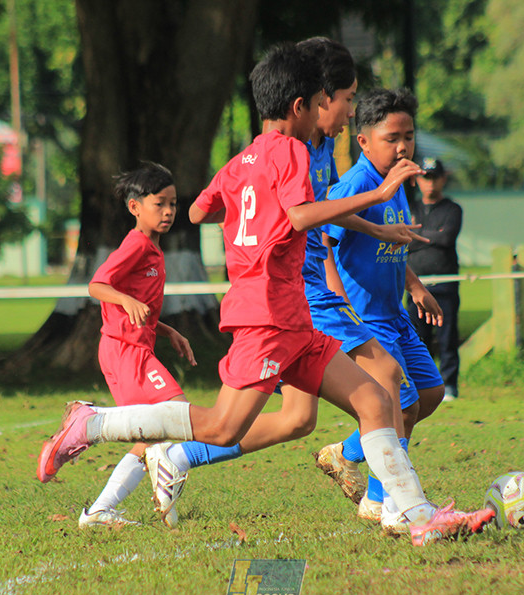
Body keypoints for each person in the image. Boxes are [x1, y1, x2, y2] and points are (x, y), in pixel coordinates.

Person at [38, 43, 494, 546]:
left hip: (294, 319)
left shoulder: (241, 162)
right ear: (300, 106)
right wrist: (380, 195)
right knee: (219, 428)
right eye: (322, 99)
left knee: (373, 398)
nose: (325, 109)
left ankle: (417, 516)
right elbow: (298, 215)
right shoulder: (293, 150)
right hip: (267, 319)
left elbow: (197, 212)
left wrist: (245, 214)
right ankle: (92, 423)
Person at [322, 88, 449, 526]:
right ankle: (381, 501)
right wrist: (340, 304)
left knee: (430, 395)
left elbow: (392, 241)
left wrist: (414, 286)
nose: (402, 146)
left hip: (394, 312)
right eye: (392, 137)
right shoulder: (356, 184)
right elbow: (324, 241)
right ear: (364, 141)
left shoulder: (396, 184)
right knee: (402, 405)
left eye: (409, 136)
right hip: (367, 318)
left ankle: (346, 451)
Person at [74, 162, 204, 529]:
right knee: (176, 415)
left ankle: (102, 511)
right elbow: (97, 285)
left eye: (173, 204)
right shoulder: (136, 244)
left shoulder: (152, 249)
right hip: (125, 352)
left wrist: (167, 331)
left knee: (157, 431)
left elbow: (140, 309)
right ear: (135, 208)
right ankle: (88, 426)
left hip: (132, 350)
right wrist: (124, 300)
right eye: (159, 204)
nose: (168, 212)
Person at [406, 157, 463, 402]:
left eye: (435, 177)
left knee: (448, 336)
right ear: (417, 180)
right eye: (425, 177)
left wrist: (414, 235)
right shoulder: (410, 208)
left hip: (445, 283)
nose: (430, 183)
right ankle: (422, 384)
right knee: (419, 338)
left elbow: (447, 238)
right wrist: (429, 236)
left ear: (443, 178)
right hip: (415, 285)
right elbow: (401, 240)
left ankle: (450, 385)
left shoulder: (452, 209)